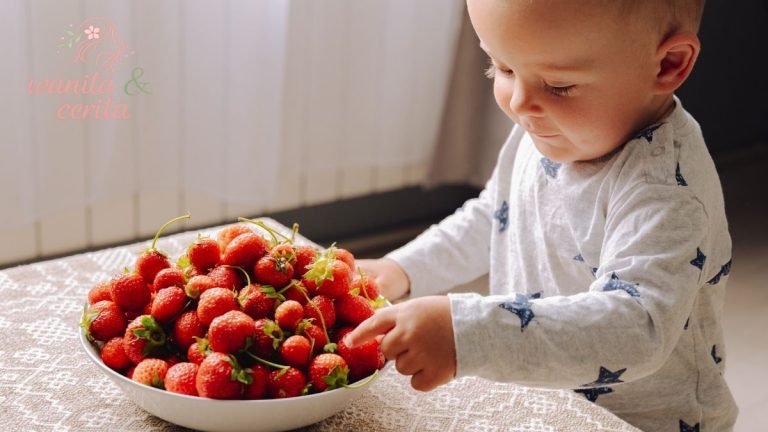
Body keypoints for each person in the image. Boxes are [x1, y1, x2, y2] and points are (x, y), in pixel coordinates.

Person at [344, 0, 738, 430]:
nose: (519, 103)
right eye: (503, 68)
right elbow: (493, 217)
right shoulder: (546, 125)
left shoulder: (665, 189)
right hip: (548, 404)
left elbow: (636, 326)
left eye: (559, 85)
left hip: (640, 422)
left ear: (668, 64)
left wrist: (468, 332)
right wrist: (402, 269)